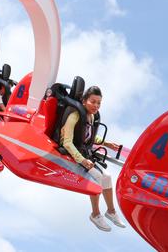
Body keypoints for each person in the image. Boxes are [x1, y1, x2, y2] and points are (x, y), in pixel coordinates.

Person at [60, 86, 126, 232]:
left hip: (84, 151)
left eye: (99, 103)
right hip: (72, 152)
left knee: (107, 177)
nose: (96, 106)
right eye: (93, 102)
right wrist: (82, 160)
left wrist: (106, 142)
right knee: (98, 177)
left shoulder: (91, 116)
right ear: (84, 101)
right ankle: (95, 214)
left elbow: (87, 137)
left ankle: (111, 211)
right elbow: (68, 142)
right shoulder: (75, 116)